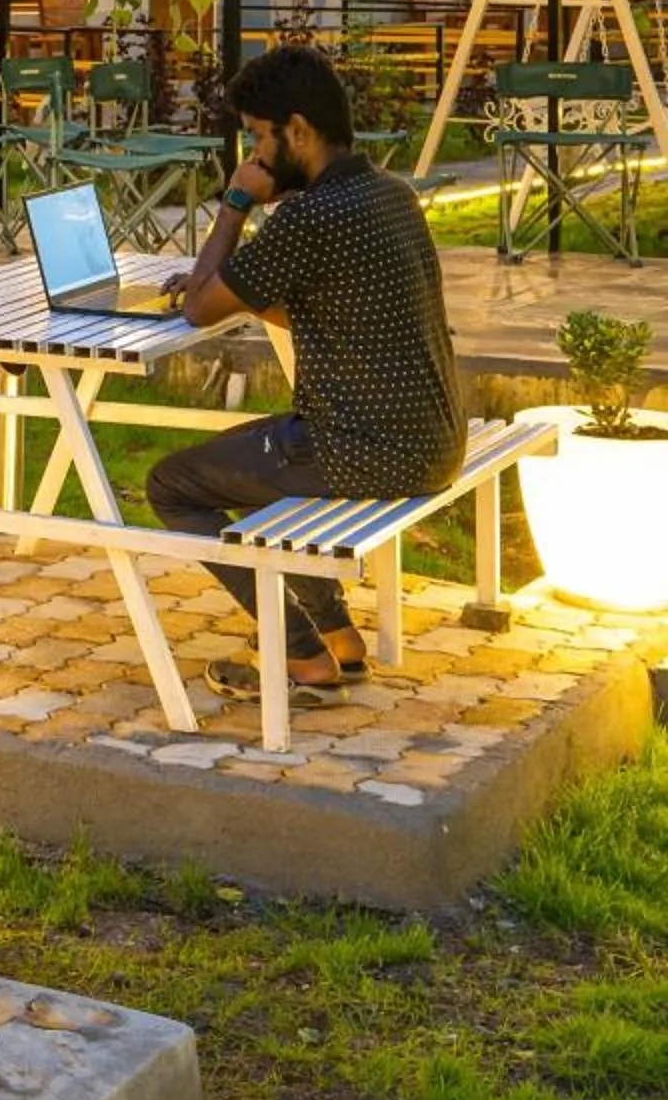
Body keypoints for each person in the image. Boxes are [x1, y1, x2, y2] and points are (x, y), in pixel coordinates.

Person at [156, 42, 463, 702]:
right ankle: (339, 641)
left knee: (175, 484)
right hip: (428, 441)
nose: (257, 156)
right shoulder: (389, 194)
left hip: (366, 450)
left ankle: (301, 659)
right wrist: (228, 286)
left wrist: (236, 200)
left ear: (297, 130)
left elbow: (199, 309)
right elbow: (335, 311)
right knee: (260, 454)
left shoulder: (310, 215)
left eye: (259, 138)